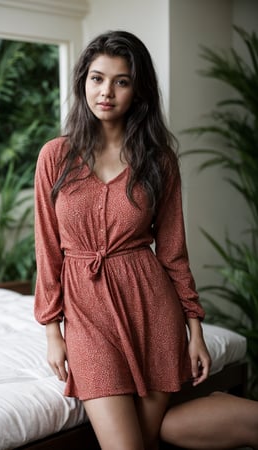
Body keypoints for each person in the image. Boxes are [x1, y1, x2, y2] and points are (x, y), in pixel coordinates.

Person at [34, 30, 258, 450]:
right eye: (97, 78)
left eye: (121, 81)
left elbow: (174, 252)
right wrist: (52, 333)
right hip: (86, 316)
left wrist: (195, 330)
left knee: (152, 438)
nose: (106, 92)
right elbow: (47, 251)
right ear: (83, 82)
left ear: (138, 91)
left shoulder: (158, 160)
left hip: (152, 309)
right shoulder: (55, 156)